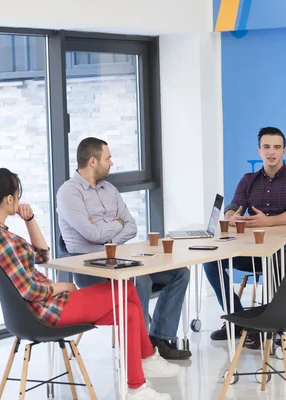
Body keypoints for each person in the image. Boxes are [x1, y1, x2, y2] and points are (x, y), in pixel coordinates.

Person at [0, 168, 179, 400]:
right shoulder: (0, 239)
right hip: (46, 311)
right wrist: (62, 287)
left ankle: (137, 384)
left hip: (44, 308)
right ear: (9, 199)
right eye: (18, 195)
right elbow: (29, 289)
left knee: (130, 310)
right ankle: (146, 364)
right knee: (126, 288)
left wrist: (30, 220)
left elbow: (43, 257)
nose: (20, 200)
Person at [56, 137, 191, 360]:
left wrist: (107, 237)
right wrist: (114, 225)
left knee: (180, 273)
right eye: (107, 158)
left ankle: (157, 338)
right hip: (89, 268)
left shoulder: (109, 189)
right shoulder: (68, 193)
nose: (111, 163)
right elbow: (91, 234)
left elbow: (130, 226)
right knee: (141, 279)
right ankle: (138, 349)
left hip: (119, 260)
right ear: (92, 161)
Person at [203, 127, 286, 347]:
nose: (271, 152)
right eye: (266, 147)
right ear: (259, 151)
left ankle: (273, 326)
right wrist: (232, 216)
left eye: (276, 147)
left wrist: (268, 221)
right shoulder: (248, 180)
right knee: (211, 261)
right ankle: (240, 321)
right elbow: (234, 206)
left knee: (278, 258)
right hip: (251, 250)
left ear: (284, 151)